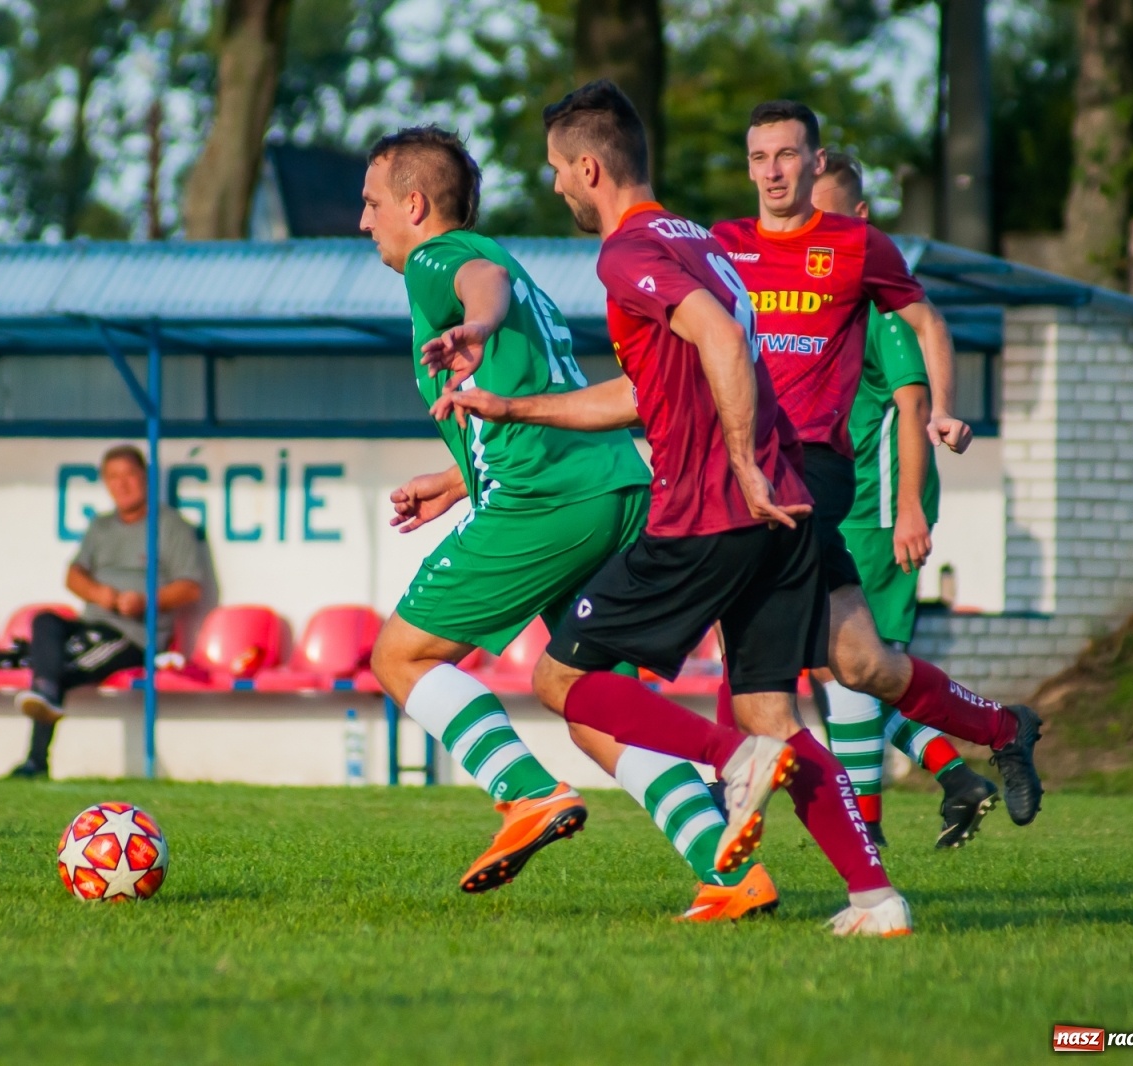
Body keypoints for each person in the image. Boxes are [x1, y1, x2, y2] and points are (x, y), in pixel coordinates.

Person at [438, 80, 914, 936]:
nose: (553, 188)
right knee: (775, 710)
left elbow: (723, 339)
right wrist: (513, 409)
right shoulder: (700, 239)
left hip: (711, 515)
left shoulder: (623, 253)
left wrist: (739, 463)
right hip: (785, 511)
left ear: (589, 167)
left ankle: (733, 762)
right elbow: (645, 388)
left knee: (562, 678)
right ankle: (876, 900)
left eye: (555, 171)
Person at [361, 125, 780, 922]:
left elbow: (481, 283)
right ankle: (730, 874)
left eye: (372, 202)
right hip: (615, 483)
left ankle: (524, 795)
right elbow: (532, 384)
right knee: (594, 700)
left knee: (402, 656)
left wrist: (475, 326)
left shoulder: (440, 259)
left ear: (414, 205)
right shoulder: (519, 266)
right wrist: (456, 481)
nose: (364, 220)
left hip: (547, 501)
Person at [703, 100, 1043, 830]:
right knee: (856, 663)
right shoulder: (721, 245)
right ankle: (1001, 732)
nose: (772, 172)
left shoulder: (858, 248)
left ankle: (742, 802)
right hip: (747, 470)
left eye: (786, 155)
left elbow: (927, 321)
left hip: (818, 472)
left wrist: (947, 408)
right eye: (759, 157)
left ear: (813, 160)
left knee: (764, 652)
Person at [809, 152, 1000, 850]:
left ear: (859, 219)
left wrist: (910, 512)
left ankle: (870, 829)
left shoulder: (882, 300)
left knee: (855, 665)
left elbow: (911, 402)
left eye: (826, 214)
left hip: (879, 509)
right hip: (850, 505)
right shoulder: (833, 300)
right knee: (838, 665)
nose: (813, 229)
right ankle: (953, 777)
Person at [10, 445, 209, 779]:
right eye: (113, 477)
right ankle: (44, 698)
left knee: (58, 671)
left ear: (144, 478)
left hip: (133, 636)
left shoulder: (171, 526)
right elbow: (73, 575)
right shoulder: (100, 527)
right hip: (94, 624)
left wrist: (144, 601)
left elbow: (191, 587)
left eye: (129, 475)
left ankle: (35, 760)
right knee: (44, 621)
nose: (122, 484)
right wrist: (99, 593)